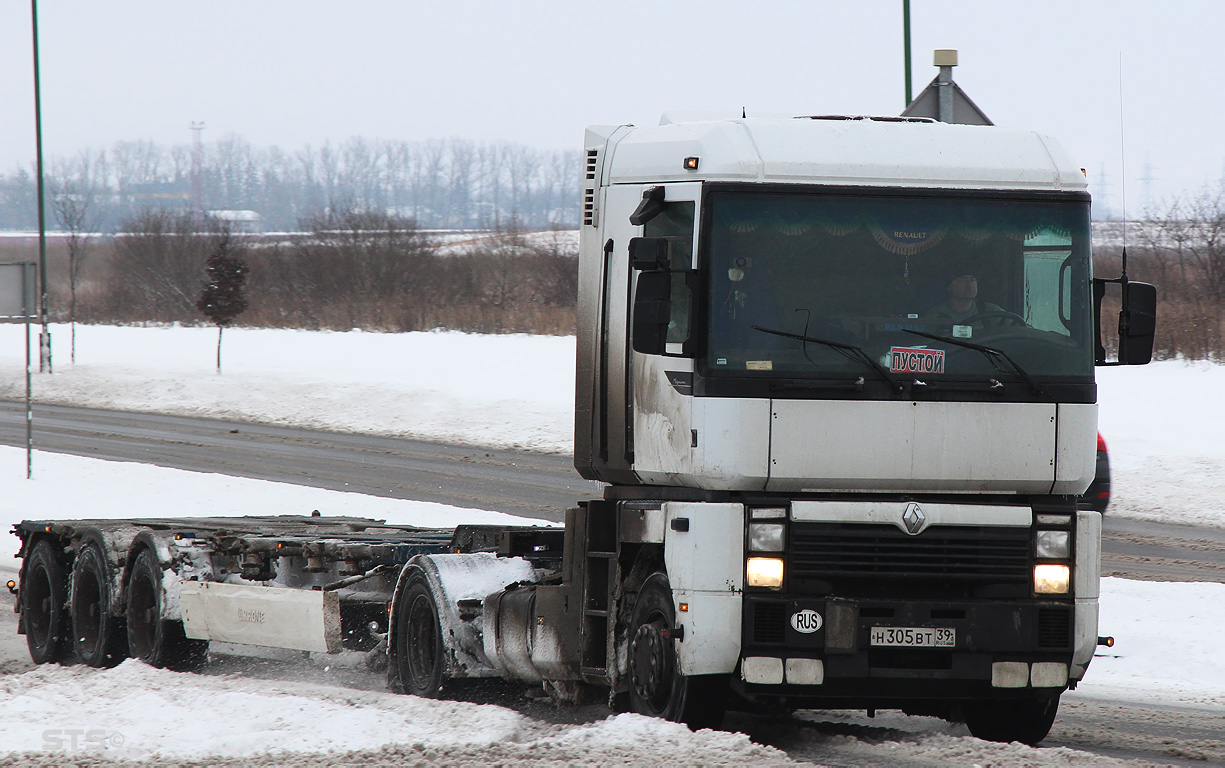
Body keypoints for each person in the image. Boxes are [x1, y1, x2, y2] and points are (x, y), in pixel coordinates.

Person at [927, 273, 1003, 323]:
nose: (969, 285)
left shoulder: (991, 311)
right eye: (962, 280)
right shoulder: (935, 315)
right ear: (949, 286)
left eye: (972, 280)